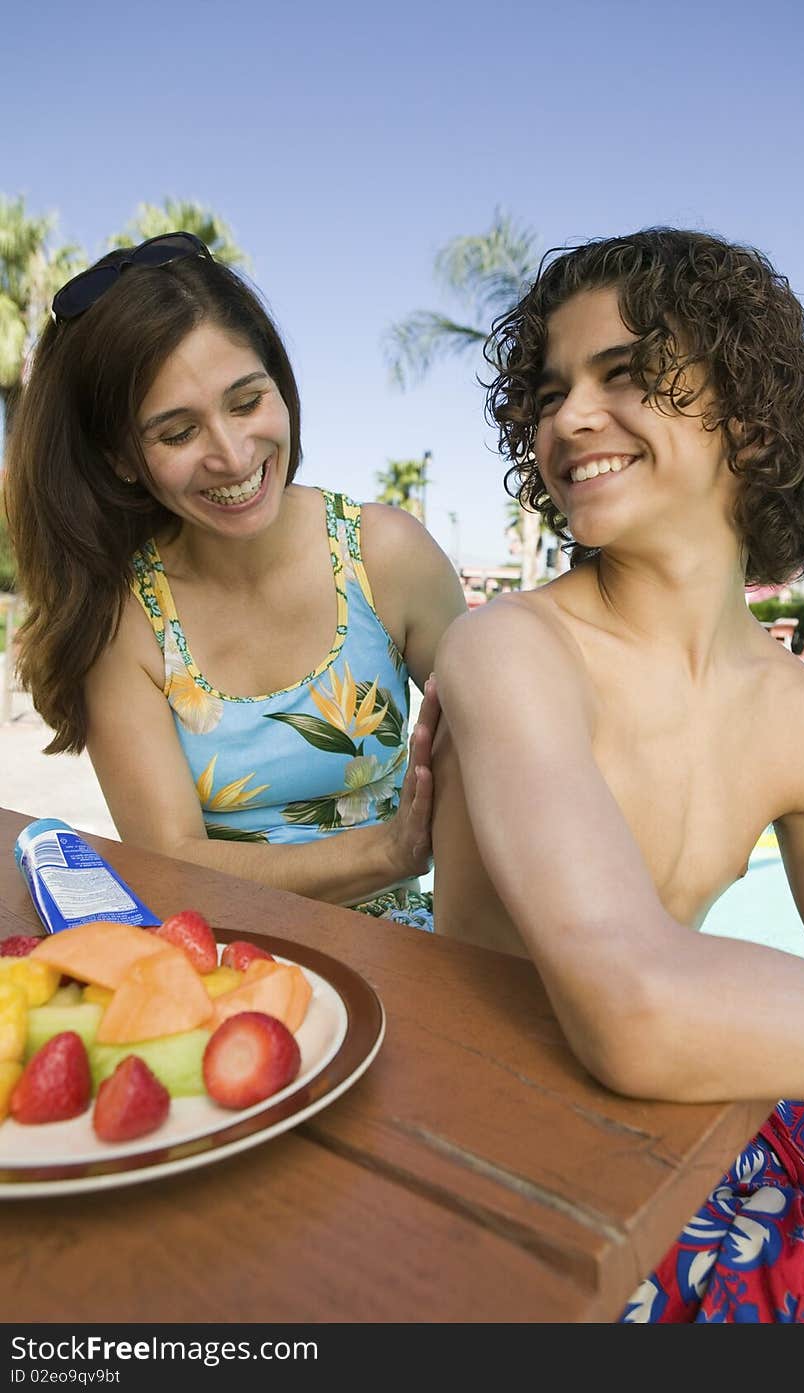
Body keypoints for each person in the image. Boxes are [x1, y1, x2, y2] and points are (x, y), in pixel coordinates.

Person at [430, 227, 804, 1321]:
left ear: (749, 412)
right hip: (492, 1172)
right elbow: (628, 1004)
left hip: (688, 1142)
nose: (568, 418)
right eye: (548, 393)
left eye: (623, 376)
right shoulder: (514, 652)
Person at [4, 233, 466, 925]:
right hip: (223, 964)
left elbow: (502, 764)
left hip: (415, 958)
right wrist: (391, 851)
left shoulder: (386, 554)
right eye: (177, 432)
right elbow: (171, 861)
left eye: (247, 402)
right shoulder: (121, 616)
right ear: (122, 457)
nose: (232, 454)